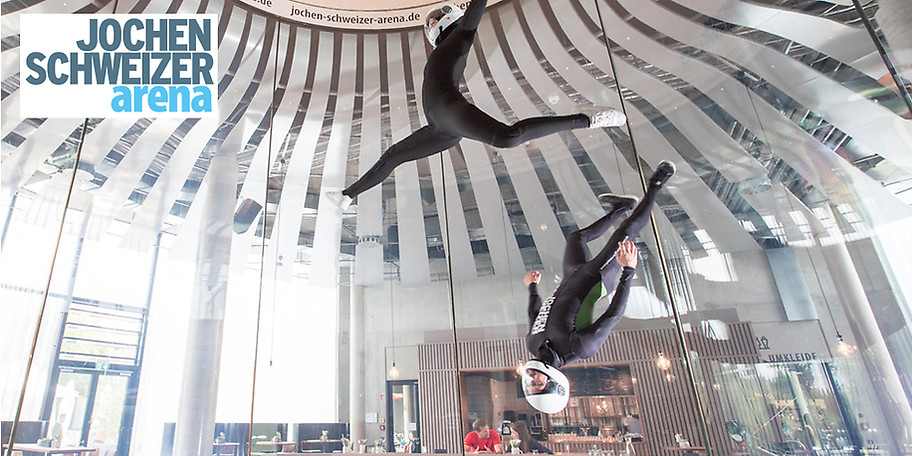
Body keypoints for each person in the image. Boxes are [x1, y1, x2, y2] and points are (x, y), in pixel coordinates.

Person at [325, 0, 626, 210]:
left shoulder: (460, 38)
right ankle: (347, 196)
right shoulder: (446, 47)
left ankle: (589, 119)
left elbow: (475, 11)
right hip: (441, 128)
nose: (431, 22)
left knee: (507, 137)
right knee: (393, 156)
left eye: (435, 19)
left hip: (447, 111)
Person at [521, 161, 676, 414]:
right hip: (597, 279)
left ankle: (622, 207)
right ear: (553, 383)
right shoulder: (578, 348)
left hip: (571, 275)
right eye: (537, 385)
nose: (531, 379)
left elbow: (535, 315)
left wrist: (533, 288)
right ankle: (656, 185)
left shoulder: (533, 344)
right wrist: (628, 270)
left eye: (529, 385)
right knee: (626, 231)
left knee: (576, 238)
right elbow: (613, 315)